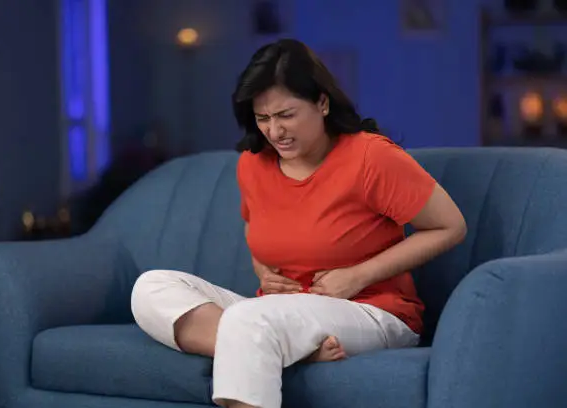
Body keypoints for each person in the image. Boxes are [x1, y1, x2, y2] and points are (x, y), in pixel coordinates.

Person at [131, 39, 467, 408]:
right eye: (263, 119)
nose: (274, 132)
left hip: (372, 310)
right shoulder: (253, 163)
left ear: (322, 103)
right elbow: (255, 227)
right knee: (151, 288)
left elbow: (449, 226)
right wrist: (264, 272)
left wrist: (357, 276)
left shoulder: (371, 156)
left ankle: (269, 345)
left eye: (286, 115)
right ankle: (288, 350)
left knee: (249, 319)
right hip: (276, 312)